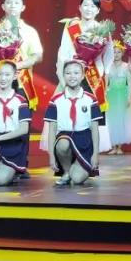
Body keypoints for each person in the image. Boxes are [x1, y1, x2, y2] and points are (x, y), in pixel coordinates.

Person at [56, 0, 113, 154]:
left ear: (98, 10)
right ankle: (72, 147)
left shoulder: (103, 30)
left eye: (93, 6)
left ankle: (93, 151)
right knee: (73, 110)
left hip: (95, 77)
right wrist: (64, 76)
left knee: (94, 113)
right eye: (85, 5)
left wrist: (106, 74)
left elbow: (109, 55)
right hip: (74, 76)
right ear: (80, 8)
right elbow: (64, 53)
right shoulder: (71, 29)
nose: (89, 9)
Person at [0, 0, 43, 109]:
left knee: (21, 120)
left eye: (16, 3)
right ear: (3, 7)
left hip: (21, 84)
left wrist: (18, 65)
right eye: (9, 3)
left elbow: (37, 56)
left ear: (23, 7)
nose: (13, 6)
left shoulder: (30, 31)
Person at [44, 59, 101, 187]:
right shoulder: (55, 100)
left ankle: (77, 168)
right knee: (63, 143)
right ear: (63, 76)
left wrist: (95, 154)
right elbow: (52, 130)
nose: (72, 76)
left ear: (82, 76)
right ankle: (66, 171)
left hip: (84, 140)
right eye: (68, 73)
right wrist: (51, 156)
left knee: (77, 179)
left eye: (76, 73)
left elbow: (95, 129)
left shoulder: (91, 99)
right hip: (65, 137)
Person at [104, 41, 131, 154]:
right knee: (112, 120)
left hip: (122, 95)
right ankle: (114, 147)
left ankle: (120, 147)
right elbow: (106, 84)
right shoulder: (108, 66)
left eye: (119, 52)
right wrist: (105, 95)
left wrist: (128, 97)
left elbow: (130, 83)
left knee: (122, 120)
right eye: (114, 52)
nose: (116, 54)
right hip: (112, 95)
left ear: (122, 53)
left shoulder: (126, 66)